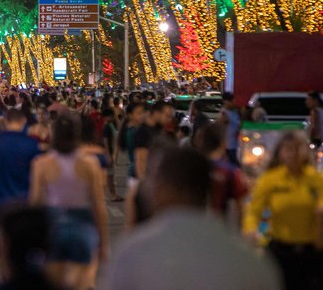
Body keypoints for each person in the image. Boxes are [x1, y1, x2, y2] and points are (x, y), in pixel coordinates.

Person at [100, 148, 281, 290]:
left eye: (153, 180)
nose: (148, 189)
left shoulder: (134, 253)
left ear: (166, 187)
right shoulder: (250, 261)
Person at [244, 132, 323, 290]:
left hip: (312, 251)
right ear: (280, 152)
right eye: (289, 149)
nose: (294, 153)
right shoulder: (270, 180)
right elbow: (253, 211)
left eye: (299, 148)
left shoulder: (319, 180)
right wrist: (250, 230)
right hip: (281, 252)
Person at [29, 113, 109, 290]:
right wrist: (103, 242)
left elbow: (34, 202)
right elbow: (98, 205)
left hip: (53, 224)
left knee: (54, 283)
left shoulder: (41, 163)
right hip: (82, 224)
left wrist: (32, 239)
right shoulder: (90, 164)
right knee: (81, 283)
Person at [0, 108, 41, 218]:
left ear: (5, 121)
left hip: (1, 201)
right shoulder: (33, 144)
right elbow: (38, 175)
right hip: (24, 202)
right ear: (23, 121)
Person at [195, 123, 249, 223]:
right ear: (223, 143)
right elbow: (241, 208)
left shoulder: (189, 166)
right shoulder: (230, 171)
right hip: (218, 228)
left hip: (188, 229)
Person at [218, 92, 241, 166]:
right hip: (229, 147)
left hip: (237, 145)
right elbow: (221, 129)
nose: (233, 102)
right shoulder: (224, 114)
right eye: (231, 101)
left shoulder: (235, 111)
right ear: (225, 102)